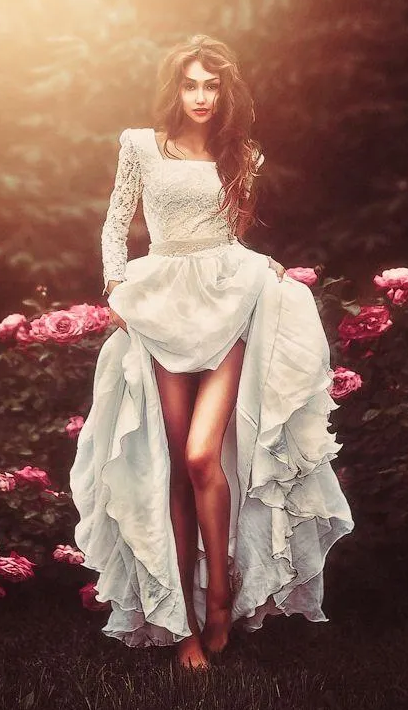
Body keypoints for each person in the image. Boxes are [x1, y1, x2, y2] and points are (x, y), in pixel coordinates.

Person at [69, 34, 354, 673]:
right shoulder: (140, 145)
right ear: (176, 89)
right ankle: (186, 623)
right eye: (191, 85)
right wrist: (115, 284)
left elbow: (230, 234)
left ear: (226, 92)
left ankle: (222, 598)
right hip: (162, 302)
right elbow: (117, 223)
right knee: (173, 464)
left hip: (226, 300)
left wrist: (265, 271)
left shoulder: (242, 154)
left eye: (212, 86)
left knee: (204, 455)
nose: (201, 97)